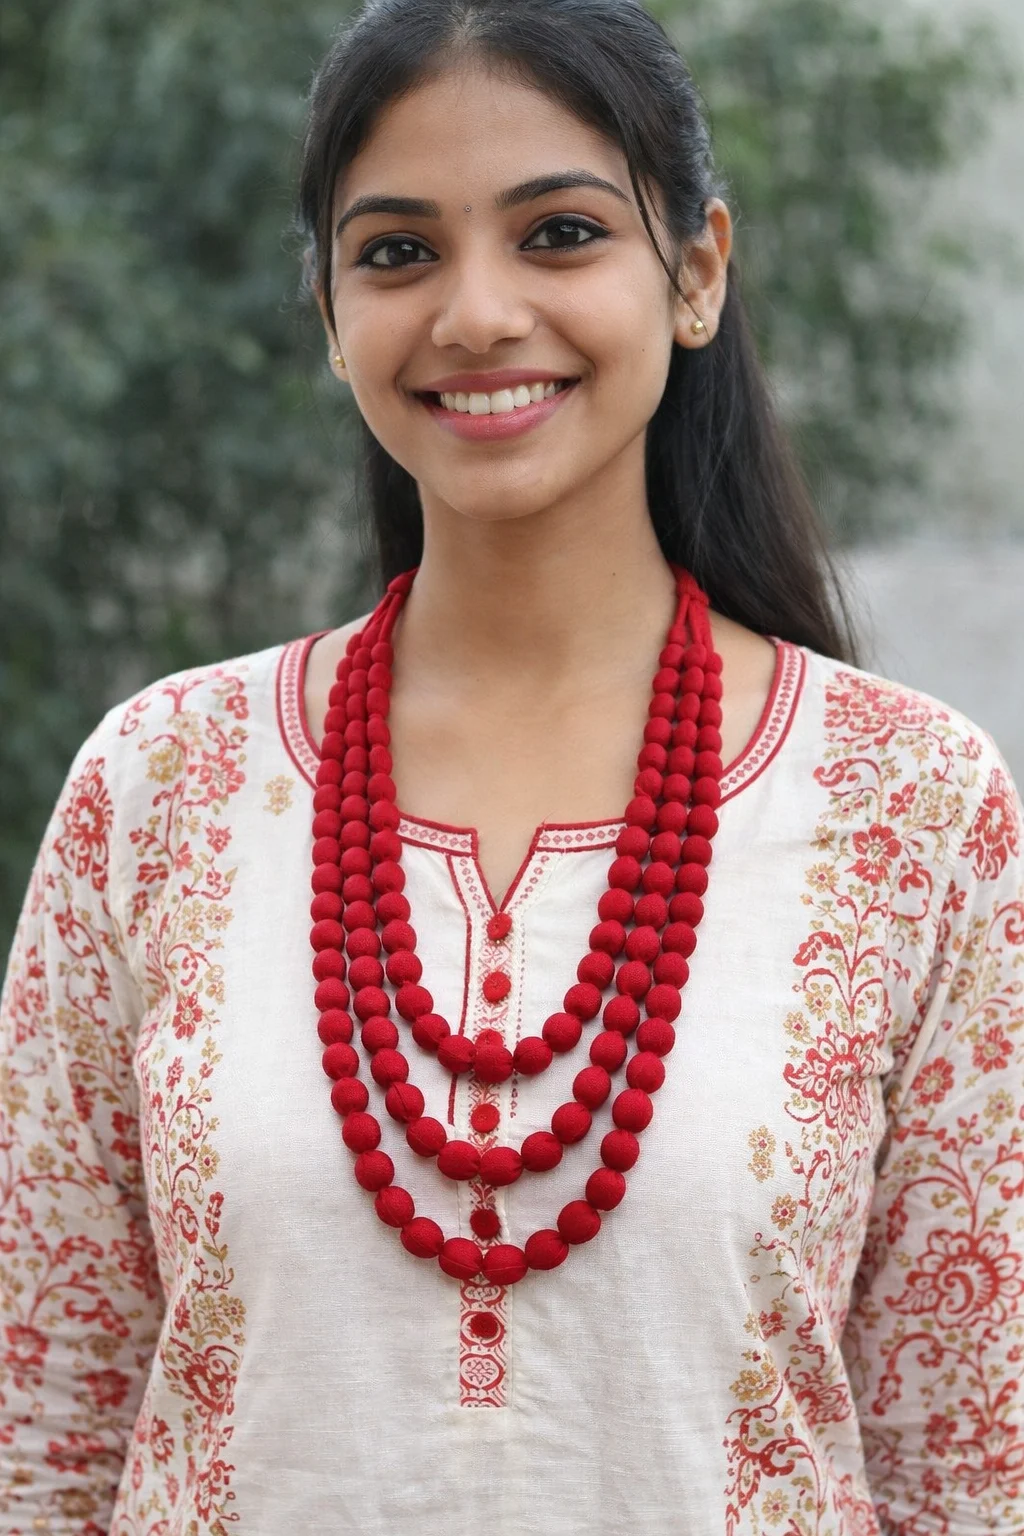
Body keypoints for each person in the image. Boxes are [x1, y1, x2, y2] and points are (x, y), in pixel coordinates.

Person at [2, 0, 1022, 1530]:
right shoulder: (159, 789)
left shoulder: (915, 807)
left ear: (695, 273)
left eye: (557, 233)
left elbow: (972, 1460)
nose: (476, 312)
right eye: (398, 251)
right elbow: (44, 1431)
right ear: (329, 312)